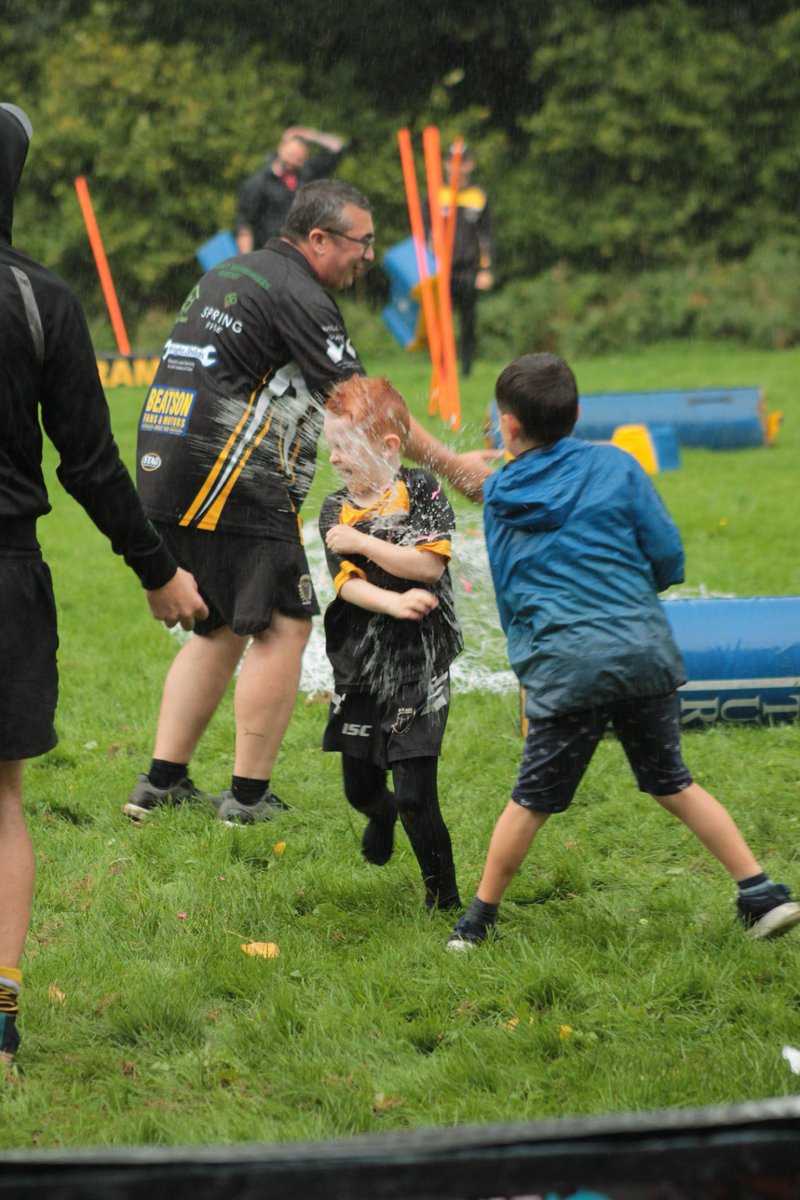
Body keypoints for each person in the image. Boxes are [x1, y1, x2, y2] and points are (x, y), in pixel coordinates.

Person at [126, 179, 494, 825]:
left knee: (216, 621)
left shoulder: (236, 272)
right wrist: (453, 466)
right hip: (227, 476)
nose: (369, 257)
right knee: (284, 624)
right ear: (318, 238)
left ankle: (161, 782)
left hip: (166, 460)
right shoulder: (300, 294)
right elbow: (365, 408)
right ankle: (247, 798)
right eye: (362, 242)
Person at [447, 352, 800, 949]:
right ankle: (760, 891)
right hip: (643, 653)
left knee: (531, 800)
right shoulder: (618, 464)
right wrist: (639, 592)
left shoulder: (502, 494)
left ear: (506, 427)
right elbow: (667, 555)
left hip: (566, 667)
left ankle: (476, 921)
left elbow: (513, 594)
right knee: (673, 783)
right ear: (579, 412)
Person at [0, 102, 208, 1070]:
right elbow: (87, 461)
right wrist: (156, 570)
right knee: (0, 799)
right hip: (5, 578)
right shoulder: (42, 300)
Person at [319, 376, 463, 910]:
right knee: (360, 787)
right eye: (330, 446)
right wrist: (392, 602)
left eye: (345, 447)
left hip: (419, 661)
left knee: (414, 793)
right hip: (358, 662)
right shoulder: (336, 509)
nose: (334, 459)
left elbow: (427, 564)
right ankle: (379, 816)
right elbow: (348, 586)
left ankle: (443, 901)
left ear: (387, 448)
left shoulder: (422, 491)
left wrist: (365, 545)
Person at [425, 143, 495, 378]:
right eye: (453, 162)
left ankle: (466, 370)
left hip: (470, 269)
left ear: (470, 164)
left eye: (463, 162)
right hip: (440, 270)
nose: (458, 167)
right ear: (445, 164)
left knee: (468, 322)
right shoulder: (435, 194)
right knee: (440, 323)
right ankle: (443, 369)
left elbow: (487, 234)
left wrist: (487, 269)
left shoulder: (478, 195)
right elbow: (423, 233)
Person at [235, 125, 346, 253]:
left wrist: (308, 135)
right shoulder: (258, 183)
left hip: (302, 252)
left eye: (299, 159)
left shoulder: (306, 174)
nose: (293, 162)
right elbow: (244, 226)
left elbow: (338, 148)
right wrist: (247, 260)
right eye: (291, 155)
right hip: (269, 252)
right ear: (281, 148)